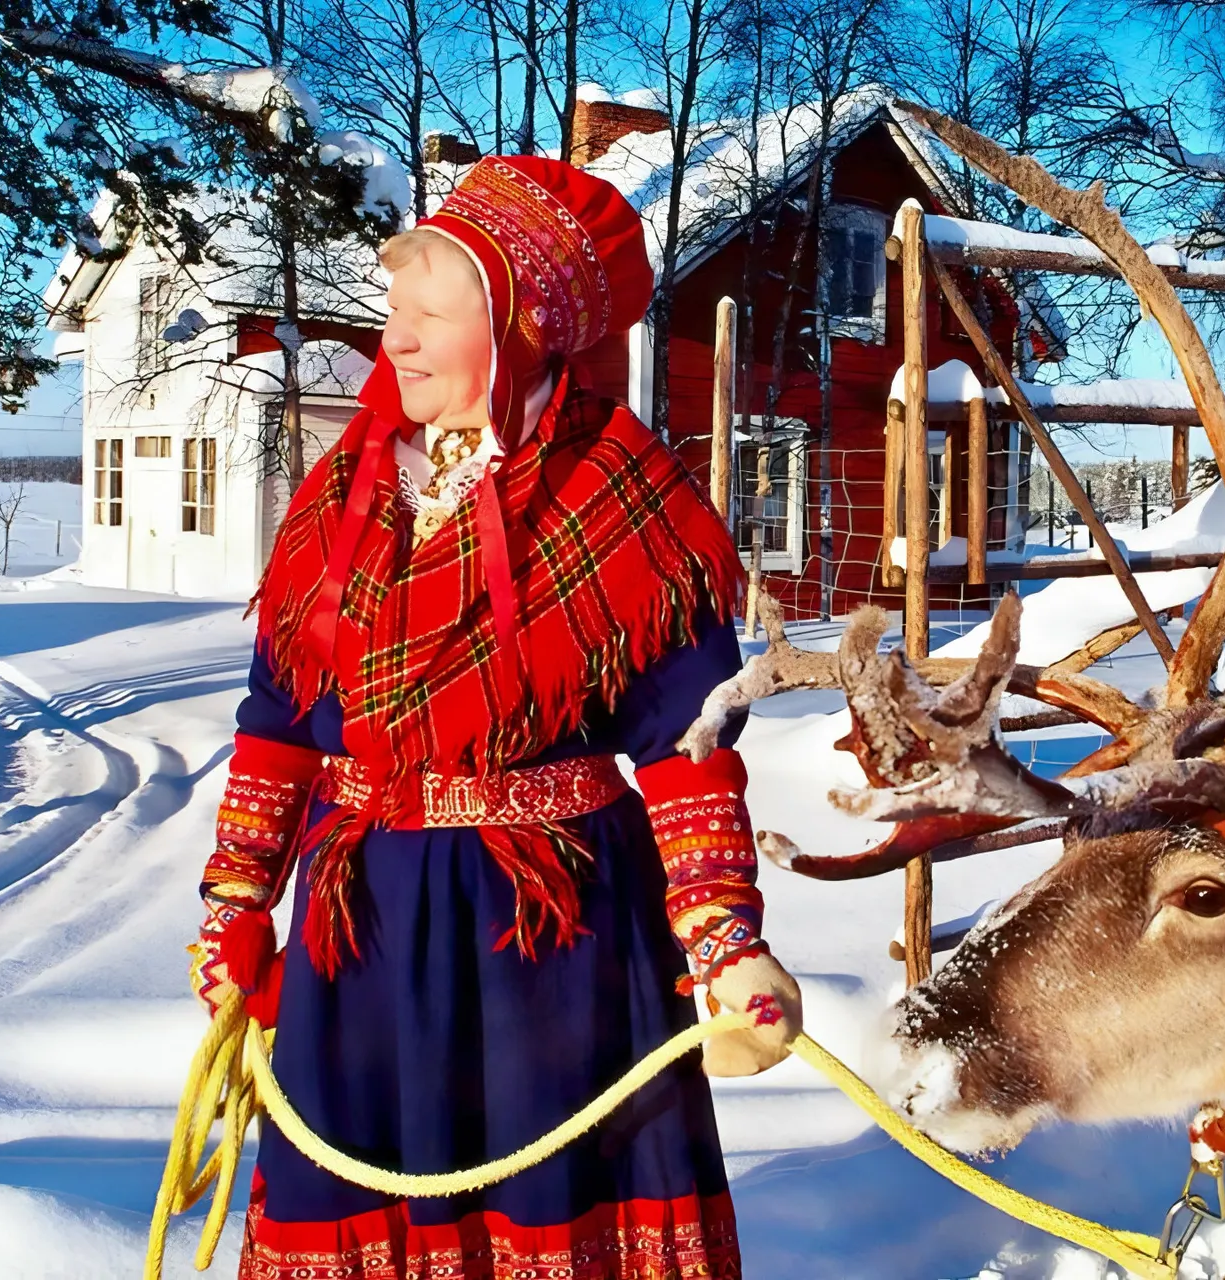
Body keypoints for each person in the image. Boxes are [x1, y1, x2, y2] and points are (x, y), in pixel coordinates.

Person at [188, 154, 802, 1280]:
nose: (397, 341)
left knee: (550, 1209)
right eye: (395, 312)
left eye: (430, 315)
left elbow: (688, 745)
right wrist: (235, 901)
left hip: (553, 938)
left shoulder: (622, 495)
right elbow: (278, 718)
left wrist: (725, 940)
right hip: (359, 934)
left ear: (521, 324)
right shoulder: (342, 492)